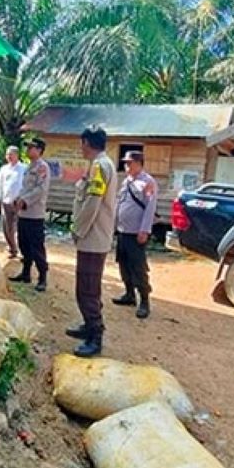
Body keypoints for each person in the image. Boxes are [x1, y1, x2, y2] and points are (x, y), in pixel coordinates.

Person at [66, 126, 118, 358]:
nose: (80, 147)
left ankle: (95, 337)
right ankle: (89, 326)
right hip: (95, 236)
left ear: (87, 142)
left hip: (92, 236)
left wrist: (78, 229)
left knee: (86, 289)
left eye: (82, 143)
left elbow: (92, 203)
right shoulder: (103, 164)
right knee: (90, 286)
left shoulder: (99, 166)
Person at [113, 150, 157, 319]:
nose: (126, 165)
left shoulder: (147, 182)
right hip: (123, 230)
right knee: (123, 264)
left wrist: (144, 230)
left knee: (138, 267)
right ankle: (129, 294)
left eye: (130, 162)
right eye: (125, 163)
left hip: (136, 232)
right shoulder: (127, 182)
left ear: (139, 163)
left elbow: (150, 208)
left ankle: (144, 301)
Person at [10, 138, 52, 291]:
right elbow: (25, 187)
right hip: (24, 214)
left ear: (39, 150)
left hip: (35, 214)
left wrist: (25, 200)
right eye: (27, 147)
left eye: (31, 147)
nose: (28, 150)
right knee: (24, 244)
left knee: (37, 248)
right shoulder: (29, 167)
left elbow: (41, 190)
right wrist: (18, 198)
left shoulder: (42, 167)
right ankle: (26, 273)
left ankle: (42, 278)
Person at [0, 146, 27, 258]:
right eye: (7, 154)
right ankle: (12, 248)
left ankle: (23, 251)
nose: (9, 157)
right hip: (6, 201)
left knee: (21, 228)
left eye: (11, 154)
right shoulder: (4, 169)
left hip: (19, 202)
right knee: (7, 227)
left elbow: (27, 185)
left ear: (17, 155)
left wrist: (23, 199)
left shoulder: (24, 168)